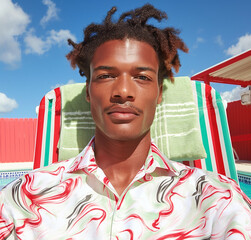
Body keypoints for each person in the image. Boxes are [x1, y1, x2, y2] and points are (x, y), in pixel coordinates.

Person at [0, 4, 250, 240]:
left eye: (141, 77)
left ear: (159, 93)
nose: (122, 91)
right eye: (106, 75)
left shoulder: (216, 198)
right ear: (88, 92)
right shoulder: (25, 197)